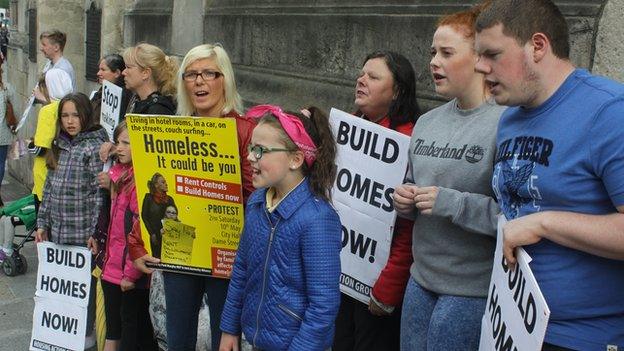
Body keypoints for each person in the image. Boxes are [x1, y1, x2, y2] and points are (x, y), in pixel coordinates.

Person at [474, 0, 624, 349]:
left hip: (582, 338)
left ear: (538, 46)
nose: (481, 67)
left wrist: (544, 223)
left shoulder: (609, 112)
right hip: (508, 324)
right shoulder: (510, 117)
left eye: (492, 54)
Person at [392, 5, 506, 349]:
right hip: (420, 279)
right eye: (432, 53)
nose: (433, 62)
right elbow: (414, 181)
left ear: (478, 58)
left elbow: (515, 217)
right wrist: (405, 199)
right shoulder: (427, 122)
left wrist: (451, 203)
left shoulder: (506, 124)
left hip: (471, 289)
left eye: (446, 52)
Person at [130, 43, 255, 351]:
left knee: (224, 341)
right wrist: (137, 243)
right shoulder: (170, 131)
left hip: (228, 257)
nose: (200, 81)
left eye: (209, 73)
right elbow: (153, 191)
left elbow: (257, 197)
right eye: (192, 74)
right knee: (177, 339)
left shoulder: (247, 130)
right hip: (180, 253)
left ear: (224, 79)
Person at [219, 104, 342, 351]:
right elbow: (242, 269)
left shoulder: (317, 219)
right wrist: (229, 327)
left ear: (296, 159)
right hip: (258, 341)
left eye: (261, 151)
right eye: (251, 148)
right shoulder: (256, 202)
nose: (250, 157)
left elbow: (323, 306)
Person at [333, 51, 418, 351]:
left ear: (396, 92)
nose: (361, 80)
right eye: (361, 73)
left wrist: (387, 290)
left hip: (378, 290)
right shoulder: (344, 129)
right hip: (340, 278)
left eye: (373, 76)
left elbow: (407, 230)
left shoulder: (410, 144)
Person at [34, 93, 109, 346]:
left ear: (86, 116)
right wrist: (42, 223)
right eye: (65, 115)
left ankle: (84, 340)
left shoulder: (93, 148)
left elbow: (100, 196)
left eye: (75, 115)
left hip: (82, 238)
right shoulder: (59, 145)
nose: (70, 121)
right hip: (58, 236)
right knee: (60, 294)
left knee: (83, 296)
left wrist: (95, 233)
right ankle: (61, 339)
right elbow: (48, 189)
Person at [101, 121, 156, 351]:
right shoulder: (120, 177)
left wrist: (130, 275)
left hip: (128, 275)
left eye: (126, 143)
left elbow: (138, 233)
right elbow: (115, 228)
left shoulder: (140, 184)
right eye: (118, 142)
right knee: (114, 328)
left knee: (132, 333)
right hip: (112, 268)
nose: (119, 148)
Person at [29, 68, 73, 202]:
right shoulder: (73, 105)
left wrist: (28, 145)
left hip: (45, 176)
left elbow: (41, 149)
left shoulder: (47, 111)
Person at [122, 43, 177, 116]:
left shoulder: (158, 111)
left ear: (145, 73)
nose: (123, 72)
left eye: (128, 67)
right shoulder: (137, 100)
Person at [141, 173, 175, 259]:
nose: (166, 184)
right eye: (163, 182)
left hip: (168, 236)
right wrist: (152, 233)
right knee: (156, 259)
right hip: (155, 235)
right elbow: (144, 216)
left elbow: (175, 217)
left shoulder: (169, 199)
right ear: (156, 185)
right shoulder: (149, 198)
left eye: (165, 182)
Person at [91, 53, 132, 123]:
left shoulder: (123, 95)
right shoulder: (102, 90)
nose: (98, 73)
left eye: (103, 70)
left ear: (117, 73)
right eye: (99, 69)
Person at [0, 63, 17, 207]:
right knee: (0, 164)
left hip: (3, 134)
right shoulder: (7, 87)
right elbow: (15, 109)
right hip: (3, 133)